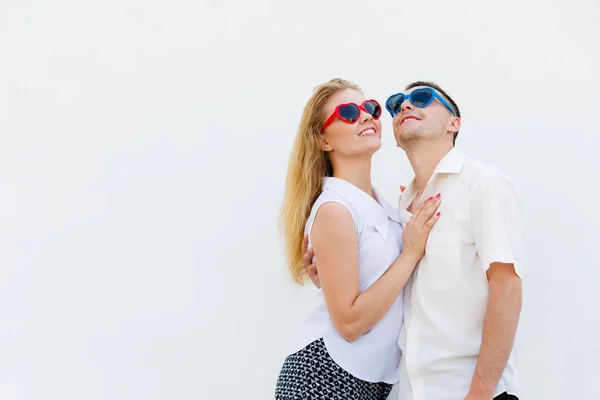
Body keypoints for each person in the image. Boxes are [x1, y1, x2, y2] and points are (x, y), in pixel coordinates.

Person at [303, 81, 523, 400]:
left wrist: (480, 393)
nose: (405, 106)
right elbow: (392, 291)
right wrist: (329, 277)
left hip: (471, 392)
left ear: (454, 123)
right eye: (395, 104)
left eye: (421, 98)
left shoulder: (481, 183)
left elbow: (508, 288)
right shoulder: (401, 210)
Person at [275, 78, 441, 400]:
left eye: (370, 108)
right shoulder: (335, 210)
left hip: (369, 384)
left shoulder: (388, 210)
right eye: (349, 112)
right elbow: (349, 324)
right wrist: (409, 254)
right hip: (323, 379)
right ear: (323, 139)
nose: (366, 116)